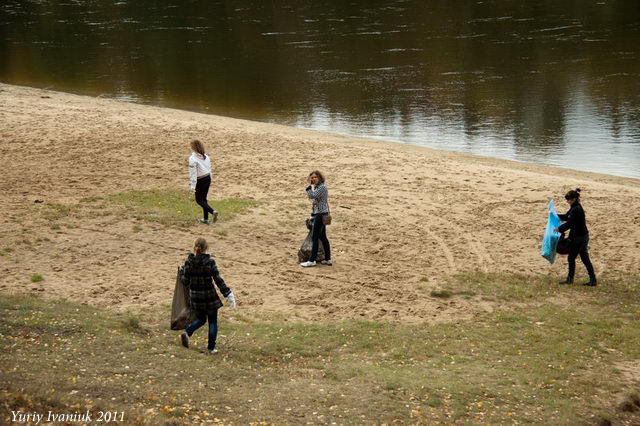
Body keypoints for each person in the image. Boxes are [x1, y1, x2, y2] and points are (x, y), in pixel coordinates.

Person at [180, 237, 236, 354]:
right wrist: (228, 294)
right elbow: (218, 280)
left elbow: (185, 282)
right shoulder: (209, 262)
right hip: (209, 298)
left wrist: (182, 272)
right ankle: (211, 348)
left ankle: (187, 332)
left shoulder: (188, 262)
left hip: (195, 298)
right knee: (212, 321)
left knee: (201, 319)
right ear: (206, 248)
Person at [554, 188, 597, 286]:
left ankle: (570, 280)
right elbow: (566, 216)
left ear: (573, 199)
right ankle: (593, 280)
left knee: (571, 258)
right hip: (582, 236)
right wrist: (555, 216)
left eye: (568, 199)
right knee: (585, 259)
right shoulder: (574, 207)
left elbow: (570, 223)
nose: (567, 201)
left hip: (580, 238)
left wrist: (559, 229)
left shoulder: (576, 209)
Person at [300, 170, 332, 267]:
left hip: (320, 215)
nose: (313, 179)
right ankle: (328, 259)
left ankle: (312, 260)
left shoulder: (321, 187)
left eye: (315, 177)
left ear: (320, 178)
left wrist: (310, 187)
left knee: (315, 237)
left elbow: (312, 196)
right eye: (312, 177)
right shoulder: (319, 187)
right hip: (320, 214)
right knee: (323, 237)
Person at [188, 140, 218, 224]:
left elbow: (193, 174)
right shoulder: (206, 156)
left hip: (200, 180)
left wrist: (192, 186)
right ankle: (205, 219)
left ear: (193, 148)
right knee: (204, 199)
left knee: (199, 200)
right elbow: (209, 169)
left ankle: (213, 212)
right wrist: (210, 178)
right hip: (207, 178)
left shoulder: (192, 158)